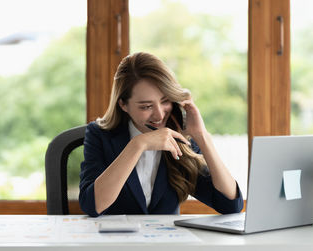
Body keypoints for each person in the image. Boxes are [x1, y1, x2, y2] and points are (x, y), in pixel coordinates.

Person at [79, 52, 243, 217]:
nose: (159, 115)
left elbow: (230, 205)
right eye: (146, 106)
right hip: (117, 241)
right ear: (123, 104)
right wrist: (138, 145)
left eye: (165, 101)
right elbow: (92, 206)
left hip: (167, 241)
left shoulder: (180, 136)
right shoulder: (99, 135)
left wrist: (202, 136)